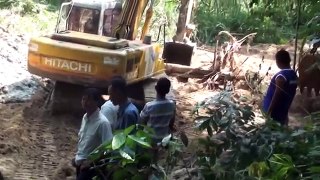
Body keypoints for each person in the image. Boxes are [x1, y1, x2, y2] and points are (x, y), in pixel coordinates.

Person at [73, 88, 113, 180]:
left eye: (89, 100)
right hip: (80, 165)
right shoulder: (85, 118)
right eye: (84, 99)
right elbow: (83, 141)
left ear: (97, 102)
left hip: (92, 168)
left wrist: (90, 162)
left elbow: (108, 147)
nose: (85, 102)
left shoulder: (103, 123)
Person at [263, 49, 298, 126]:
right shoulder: (294, 75)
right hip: (283, 111)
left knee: (271, 132)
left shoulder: (281, 76)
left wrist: (269, 111)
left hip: (274, 112)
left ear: (278, 61)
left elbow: (277, 94)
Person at [139, 77, 176, 144]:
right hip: (164, 139)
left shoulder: (149, 106)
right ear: (168, 91)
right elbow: (171, 122)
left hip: (149, 139)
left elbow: (141, 122)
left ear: (156, 88)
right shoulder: (172, 104)